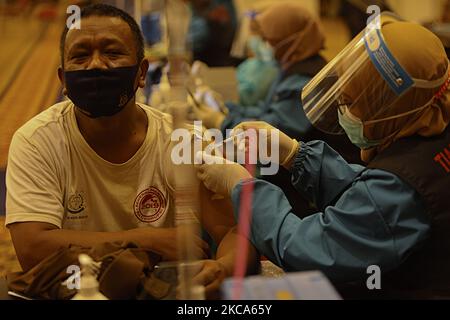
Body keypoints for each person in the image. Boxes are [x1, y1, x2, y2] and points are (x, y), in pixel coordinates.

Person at [5, 4, 257, 298]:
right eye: (81, 55)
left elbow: (232, 230)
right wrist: (142, 240)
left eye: (112, 53)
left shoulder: (183, 141)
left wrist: (223, 268)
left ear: (141, 72)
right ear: (63, 80)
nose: (96, 65)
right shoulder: (37, 141)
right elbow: (32, 248)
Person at [195, 16, 450, 298]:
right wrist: (295, 154)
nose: (344, 111)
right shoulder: (432, 131)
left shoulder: (404, 187)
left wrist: (242, 187)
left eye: (351, 103)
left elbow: (306, 248)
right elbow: (368, 191)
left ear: (391, 108)